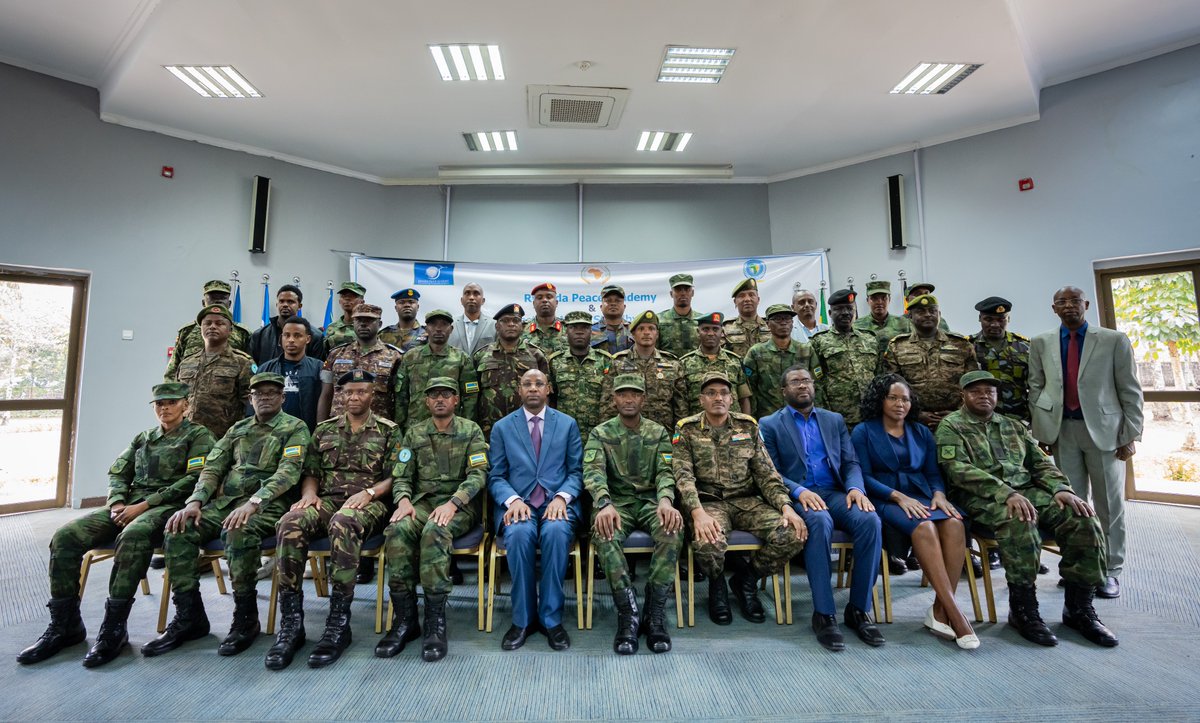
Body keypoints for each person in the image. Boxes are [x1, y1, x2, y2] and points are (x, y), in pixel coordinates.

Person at [17, 383, 215, 667]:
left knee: (133, 535)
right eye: (159, 404)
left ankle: (113, 629)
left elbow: (194, 480)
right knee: (66, 536)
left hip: (167, 507)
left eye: (171, 402)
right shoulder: (143, 438)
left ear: (185, 404)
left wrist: (144, 505)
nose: (165, 408)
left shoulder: (198, 436)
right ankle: (65, 625)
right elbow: (118, 472)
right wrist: (118, 503)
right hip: (128, 504)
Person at [936, 371, 1117, 647]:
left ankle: (1080, 609)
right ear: (963, 394)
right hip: (981, 497)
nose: (984, 395)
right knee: (1019, 521)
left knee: (1082, 517)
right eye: (976, 391)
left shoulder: (1013, 426)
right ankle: (1023, 611)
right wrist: (1005, 492)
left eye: (990, 391)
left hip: (1028, 492)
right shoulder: (952, 426)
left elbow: (1040, 463)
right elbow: (957, 470)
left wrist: (1061, 489)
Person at [142, 372, 310, 658]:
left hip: (269, 505)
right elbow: (212, 468)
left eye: (272, 393)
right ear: (250, 399)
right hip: (226, 503)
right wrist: (195, 502)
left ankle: (246, 617)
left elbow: (288, 472)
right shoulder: (237, 429)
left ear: (282, 397)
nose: (265, 397)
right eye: (259, 393)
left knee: (237, 531)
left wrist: (254, 503)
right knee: (178, 528)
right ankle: (189, 616)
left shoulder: (295, 428)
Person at [264, 369, 399, 670]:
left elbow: (395, 476)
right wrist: (309, 495)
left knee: (343, 521)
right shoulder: (324, 430)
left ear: (371, 395)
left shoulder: (389, 430)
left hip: (368, 504)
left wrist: (370, 492)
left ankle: (339, 622)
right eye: (349, 392)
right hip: (327, 499)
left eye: (361, 391)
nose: (354, 397)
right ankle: (291, 624)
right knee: (290, 521)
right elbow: (311, 471)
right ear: (340, 395)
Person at [1029, 285, 1143, 599]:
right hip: (1062, 430)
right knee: (1072, 504)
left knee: (1109, 505)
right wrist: (1044, 432)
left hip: (1105, 433)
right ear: (1054, 309)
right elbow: (1036, 387)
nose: (1069, 306)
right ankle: (1079, 567)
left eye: (1074, 301)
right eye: (1062, 302)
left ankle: (1109, 570)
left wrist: (1130, 435)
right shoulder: (1041, 343)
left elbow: (1131, 391)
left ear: (1086, 304)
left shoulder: (1113, 340)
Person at [760, 367, 885, 651]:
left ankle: (858, 610)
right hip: (800, 494)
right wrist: (799, 491)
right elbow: (770, 471)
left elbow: (851, 462)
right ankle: (825, 614)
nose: (802, 385)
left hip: (835, 491)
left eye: (806, 380)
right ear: (784, 391)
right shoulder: (769, 424)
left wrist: (856, 489)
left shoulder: (833, 420)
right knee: (819, 522)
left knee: (870, 521)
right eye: (795, 381)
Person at [851, 373, 978, 649]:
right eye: (893, 398)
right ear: (880, 400)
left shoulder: (920, 431)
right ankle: (956, 615)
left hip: (922, 494)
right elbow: (863, 474)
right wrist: (898, 497)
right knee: (924, 526)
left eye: (905, 399)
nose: (900, 404)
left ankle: (940, 608)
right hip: (884, 497)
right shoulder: (863, 431)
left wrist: (939, 495)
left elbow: (932, 472)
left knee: (955, 521)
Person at [673, 371, 807, 625]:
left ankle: (746, 580)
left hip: (747, 501)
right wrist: (696, 512)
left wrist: (786, 507)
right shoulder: (686, 429)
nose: (718, 398)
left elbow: (767, 474)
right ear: (701, 400)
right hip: (708, 502)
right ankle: (717, 585)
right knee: (707, 541)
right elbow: (683, 477)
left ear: (732, 398)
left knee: (792, 532)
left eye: (723, 393)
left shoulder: (748, 426)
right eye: (711, 393)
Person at [378, 377, 488, 662]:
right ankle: (405, 619)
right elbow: (402, 475)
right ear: (426, 402)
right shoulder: (414, 434)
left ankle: (435, 622)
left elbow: (478, 475)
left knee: (435, 531)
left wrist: (453, 504)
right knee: (397, 530)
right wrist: (402, 501)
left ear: (456, 400)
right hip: (422, 502)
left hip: (460, 504)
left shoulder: (471, 430)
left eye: (446, 395)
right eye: (434, 395)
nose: (440, 399)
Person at [584, 374, 684, 655]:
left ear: (643, 398)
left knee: (672, 529)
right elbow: (593, 472)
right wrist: (603, 503)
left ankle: (654, 614)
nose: (629, 399)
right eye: (623, 394)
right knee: (604, 535)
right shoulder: (601, 433)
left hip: (652, 501)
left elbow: (666, 470)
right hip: (617, 504)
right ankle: (628, 614)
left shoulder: (659, 432)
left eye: (635, 394)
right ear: (614, 399)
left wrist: (666, 500)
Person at [487, 369, 583, 651]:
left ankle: (551, 620)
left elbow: (576, 471)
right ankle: (523, 620)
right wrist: (512, 500)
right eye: (527, 384)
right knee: (517, 536)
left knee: (555, 533)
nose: (533, 389)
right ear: (519, 390)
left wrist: (563, 498)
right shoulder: (503, 427)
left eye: (538, 384)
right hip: (519, 504)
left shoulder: (567, 424)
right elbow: (496, 476)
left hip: (557, 504)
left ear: (548, 389)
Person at [883, 294, 979, 431]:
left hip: (958, 420)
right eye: (921, 312)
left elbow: (973, 384)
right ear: (910, 316)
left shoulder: (961, 344)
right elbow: (892, 387)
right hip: (913, 421)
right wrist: (915, 413)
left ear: (939, 314)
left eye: (932, 311)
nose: (928, 315)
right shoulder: (897, 346)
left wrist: (960, 413)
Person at [173, 304, 253, 439]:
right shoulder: (187, 362)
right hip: (186, 437)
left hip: (223, 438)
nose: (212, 326)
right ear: (201, 329)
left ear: (230, 330)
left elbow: (251, 405)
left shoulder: (243, 362)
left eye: (219, 323)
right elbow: (176, 400)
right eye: (207, 323)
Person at [393, 308, 478, 431]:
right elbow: (401, 396)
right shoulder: (411, 357)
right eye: (433, 324)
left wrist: (466, 428)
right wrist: (399, 427)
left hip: (451, 428)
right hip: (416, 428)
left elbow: (470, 398)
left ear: (451, 329)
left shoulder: (461, 358)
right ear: (426, 329)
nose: (438, 328)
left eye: (444, 324)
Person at [473, 303, 550, 438]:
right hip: (489, 428)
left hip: (528, 427)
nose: (511, 324)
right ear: (497, 326)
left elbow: (547, 394)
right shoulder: (481, 356)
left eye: (516, 321)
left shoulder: (536, 355)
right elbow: (472, 395)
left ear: (522, 326)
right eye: (506, 321)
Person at [318, 303, 403, 423]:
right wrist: (320, 427)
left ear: (379, 324)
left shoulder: (394, 357)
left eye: (369, 320)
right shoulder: (335, 354)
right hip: (338, 428)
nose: (363, 324)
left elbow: (400, 400)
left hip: (377, 429)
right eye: (358, 320)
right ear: (353, 324)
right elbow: (326, 395)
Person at [809, 289, 881, 427]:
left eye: (849, 308)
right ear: (830, 313)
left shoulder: (870, 339)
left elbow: (879, 374)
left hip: (872, 414)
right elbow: (816, 382)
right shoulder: (818, 342)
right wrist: (825, 413)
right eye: (839, 309)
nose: (845, 313)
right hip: (839, 416)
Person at [610, 310, 688, 432]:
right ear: (633, 334)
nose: (646, 333)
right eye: (641, 329)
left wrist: (679, 436)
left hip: (663, 434)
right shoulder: (618, 362)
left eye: (651, 329)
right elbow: (609, 403)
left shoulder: (672, 364)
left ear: (657, 334)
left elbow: (681, 407)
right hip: (626, 434)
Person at [548, 310, 613, 446]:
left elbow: (611, 400)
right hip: (563, 435)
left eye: (584, 327)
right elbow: (550, 399)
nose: (579, 332)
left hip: (597, 435)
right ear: (566, 331)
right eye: (573, 327)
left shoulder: (605, 361)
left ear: (591, 331)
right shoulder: (555, 362)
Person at [164, 279, 251, 381]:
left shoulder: (242, 333)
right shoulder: (187, 332)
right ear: (203, 302)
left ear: (230, 303)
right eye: (212, 297)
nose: (218, 301)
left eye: (223, 298)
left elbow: (248, 371)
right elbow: (172, 371)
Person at [744, 304, 812, 419]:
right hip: (768, 417)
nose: (783, 323)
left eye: (787, 319)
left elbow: (816, 386)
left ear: (792, 323)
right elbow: (750, 389)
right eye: (777, 319)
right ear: (768, 324)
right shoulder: (756, 352)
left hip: (801, 415)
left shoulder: (805, 350)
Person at [971, 296, 1031, 424]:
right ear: (979, 318)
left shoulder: (1025, 347)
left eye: (1001, 319)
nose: (994, 324)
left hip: (1017, 419)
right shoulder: (969, 347)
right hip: (978, 420)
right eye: (988, 319)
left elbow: (1035, 386)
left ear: (1008, 318)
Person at [678, 312, 752, 416]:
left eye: (715, 329)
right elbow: (681, 402)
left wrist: (746, 424)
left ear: (722, 332)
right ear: (698, 332)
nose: (711, 333)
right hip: (697, 428)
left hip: (733, 427)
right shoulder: (684, 363)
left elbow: (744, 398)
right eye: (706, 329)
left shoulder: (735, 361)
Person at [257, 316, 323, 432]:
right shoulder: (265, 368)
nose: (291, 340)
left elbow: (325, 403)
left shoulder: (319, 368)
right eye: (286, 335)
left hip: (307, 432)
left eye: (297, 335)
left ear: (307, 339)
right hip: (271, 434)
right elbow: (254, 404)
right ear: (281, 338)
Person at [248, 284, 326, 364]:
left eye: (290, 302)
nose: (285, 305)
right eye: (281, 301)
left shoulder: (315, 336)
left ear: (299, 306)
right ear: (277, 305)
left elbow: (316, 368)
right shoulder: (259, 335)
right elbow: (252, 367)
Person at [656, 273, 703, 359]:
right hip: (667, 370)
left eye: (687, 289)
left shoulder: (702, 320)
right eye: (678, 290)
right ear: (671, 294)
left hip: (695, 370)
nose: (683, 293)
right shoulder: (659, 320)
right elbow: (654, 352)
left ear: (692, 293)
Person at [722, 278, 770, 358]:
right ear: (735, 302)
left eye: (751, 295)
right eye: (741, 296)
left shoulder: (770, 325)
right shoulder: (725, 328)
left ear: (758, 300)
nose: (747, 299)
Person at [853, 279, 912, 344]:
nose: (879, 302)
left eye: (884, 298)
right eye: (874, 298)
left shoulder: (904, 323)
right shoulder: (857, 326)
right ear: (868, 301)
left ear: (889, 299)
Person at [446, 282, 495, 356]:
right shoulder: (449, 324)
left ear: (483, 301)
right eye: (467, 293)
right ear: (461, 300)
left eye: (476, 293)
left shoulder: (494, 325)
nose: (471, 297)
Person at [521, 282, 568, 355]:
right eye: (539, 298)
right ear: (533, 304)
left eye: (549, 297)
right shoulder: (521, 329)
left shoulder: (568, 328)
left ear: (556, 303)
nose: (544, 300)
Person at [322, 281, 366, 353]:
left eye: (352, 296)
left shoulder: (366, 327)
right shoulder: (331, 327)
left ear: (362, 302)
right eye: (344, 296)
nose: (347, 299)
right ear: (339, 301)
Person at [591, 285, 633, 355]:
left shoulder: (634, 329)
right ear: (601, 307)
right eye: (608, 301)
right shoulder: (590, 331)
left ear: (624, 306)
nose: (613, 303)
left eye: (618, 301)